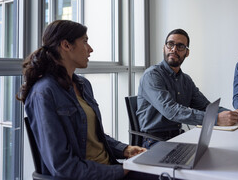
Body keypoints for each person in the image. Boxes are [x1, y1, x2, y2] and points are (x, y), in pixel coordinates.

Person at [17, 20, 157, 180]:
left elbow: (93, 137)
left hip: (109, 168)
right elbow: (62, 166)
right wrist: (120, 171)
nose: (90, 49)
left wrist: (125, 150)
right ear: (66, 45)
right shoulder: (44, 92)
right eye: (85, 42)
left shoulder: (83, 84)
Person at [137, 29, 238, 148]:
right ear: (164, 47)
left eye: (180, 46)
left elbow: (205, 106)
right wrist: (215, 119)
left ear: (187, 52)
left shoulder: (186, 80)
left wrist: (233, 114)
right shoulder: (152, 75)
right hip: (154, 141)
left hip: (177, 137)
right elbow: (172, 111)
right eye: (170, 44)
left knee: (219, 152)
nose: (174, 49)